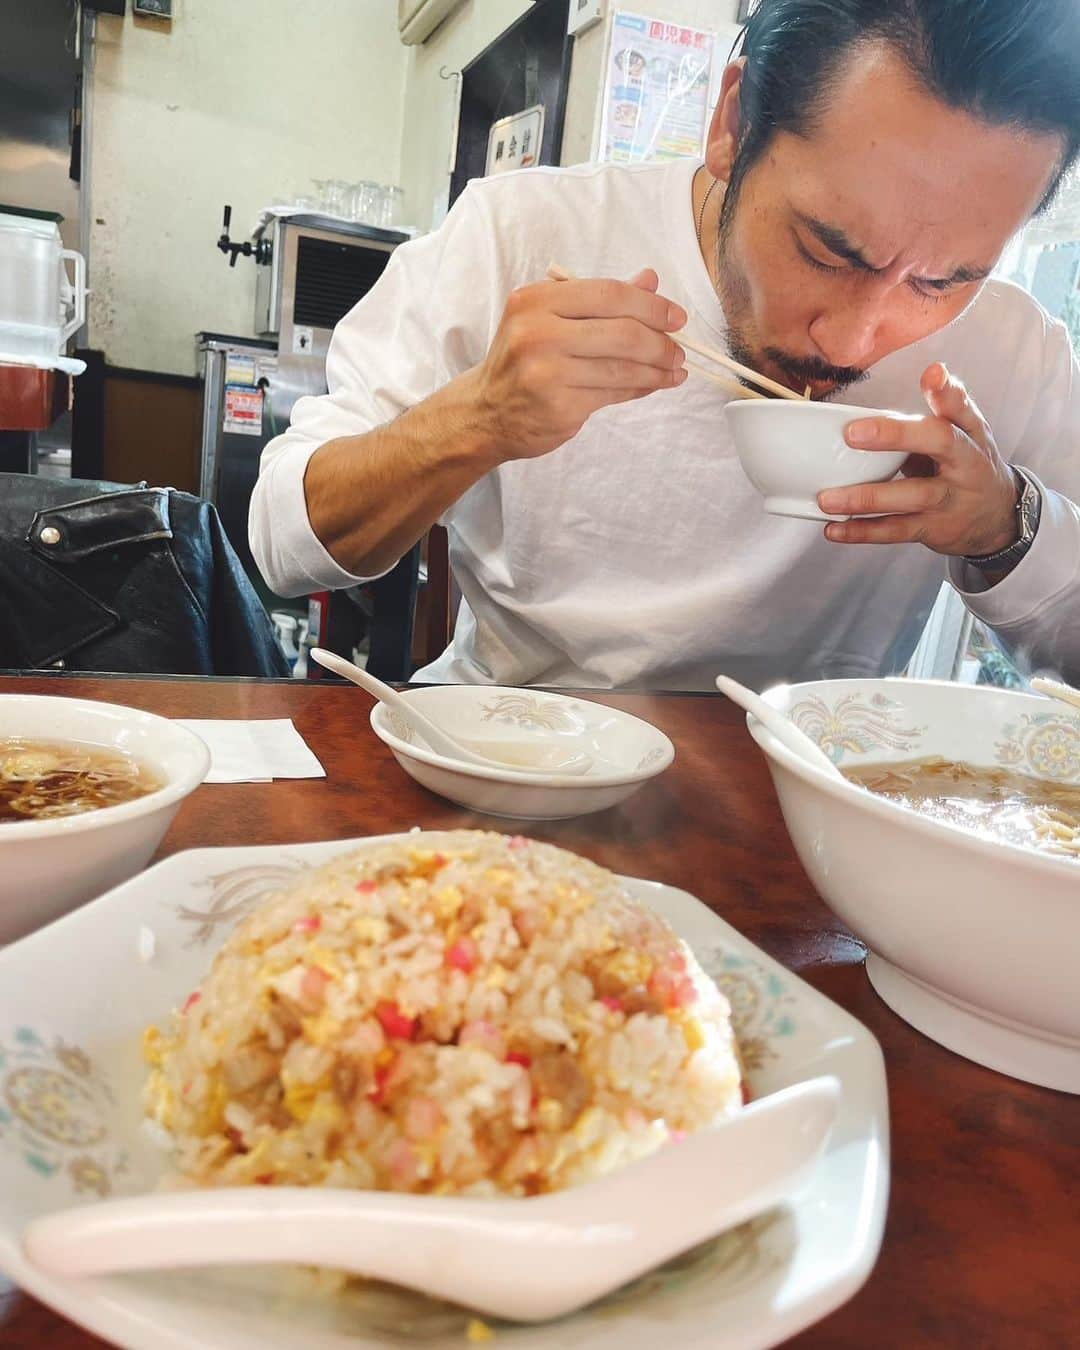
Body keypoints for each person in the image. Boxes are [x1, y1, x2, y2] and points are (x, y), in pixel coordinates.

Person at [250, 0, 1080, 691]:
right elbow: (285, 540)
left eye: (944, 281)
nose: (855, 338)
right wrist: (478, 418)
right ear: (734, 121)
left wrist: (1007, 528)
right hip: (506, 768)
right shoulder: (525, 233)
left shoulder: (1014, 350)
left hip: (807, 817)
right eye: (828, 250)